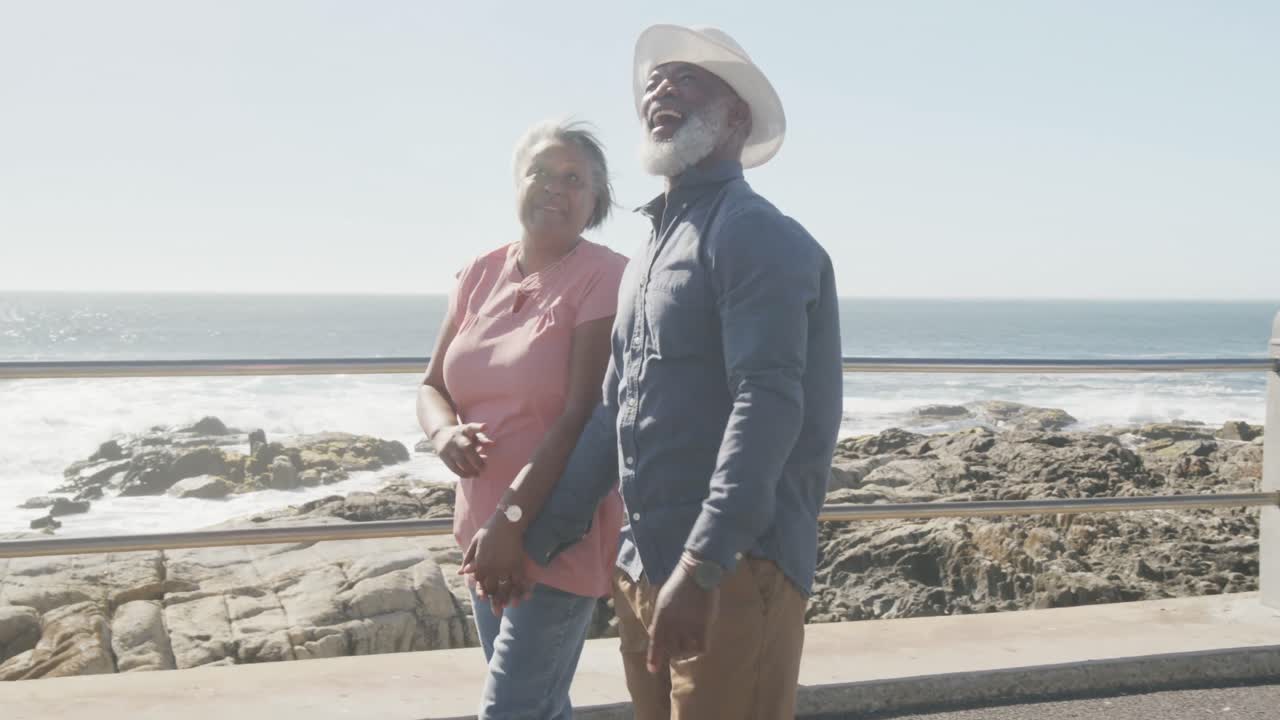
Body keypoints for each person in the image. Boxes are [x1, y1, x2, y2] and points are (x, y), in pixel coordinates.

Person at [472, 24, 844, 719]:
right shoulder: (648, 250)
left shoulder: (755, 234)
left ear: (737, 116)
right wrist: (537, 538)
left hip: (733, 571)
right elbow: (615, 417)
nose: (660, 90)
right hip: (644, 571)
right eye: (655, 81)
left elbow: (768, 403)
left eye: (689, 79)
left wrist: (704, 564)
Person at [416, 119, 627, 720]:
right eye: (541, 171)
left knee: (511, 710)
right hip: (481, 534)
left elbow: (582, 411)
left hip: (553, 530)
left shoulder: (606, 276)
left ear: (595, 201)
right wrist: (443, 433)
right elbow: (432, 386)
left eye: (574, 179)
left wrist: (511, 521)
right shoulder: (477, 273)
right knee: (539, 707)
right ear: (517, 182)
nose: (554, 188)